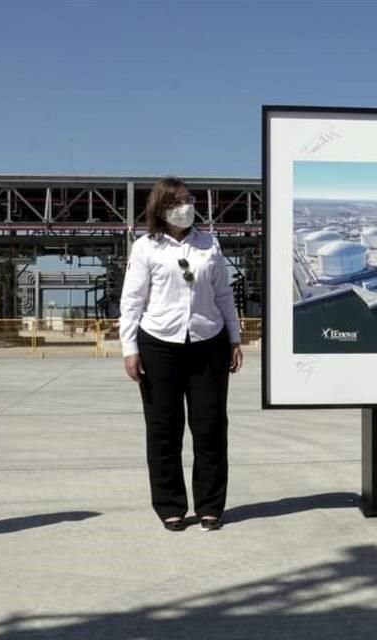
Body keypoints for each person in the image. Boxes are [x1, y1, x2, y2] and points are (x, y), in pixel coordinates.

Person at [119, 177, 243, 531]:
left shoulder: (209, 243)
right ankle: (170, 505)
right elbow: (132, 300)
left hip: (208, 341)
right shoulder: (145, 247)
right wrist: (129, 348)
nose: (185, 206)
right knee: (164, 428)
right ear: (160, 208)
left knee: (210, 426)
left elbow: (223, 294)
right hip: (159, 344)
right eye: (177, 201)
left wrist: (234, 338)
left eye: (189, 199)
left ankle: (210, 505)